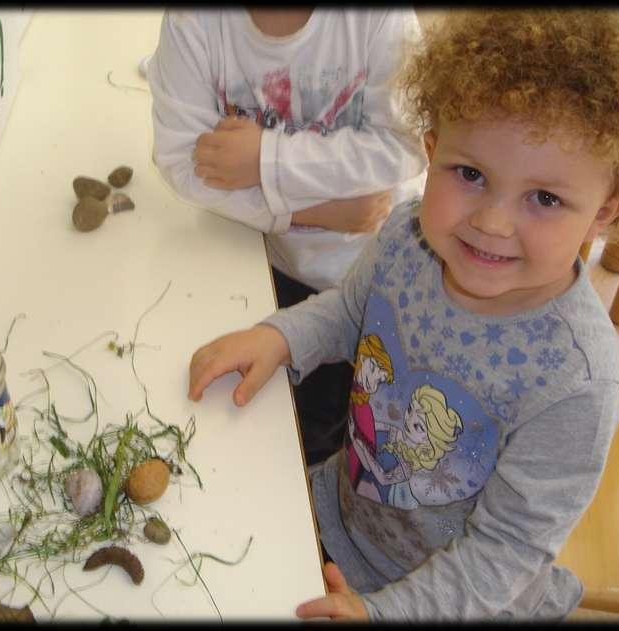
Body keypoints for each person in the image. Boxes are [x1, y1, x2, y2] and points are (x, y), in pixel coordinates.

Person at [186, 9, 619, 621]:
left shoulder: (577, 383)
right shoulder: (407, 239)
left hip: (454, 600)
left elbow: (503, 554)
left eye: (545, 198)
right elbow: (350, 313)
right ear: (432, 149)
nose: (492, 223)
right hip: (340, 515)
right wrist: (279, 337)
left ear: (606, 212)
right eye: (470, 174)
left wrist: (384, 613)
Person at [146, 8, 428, 465]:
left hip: (370, 273)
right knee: (273, 418)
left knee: (347, 420)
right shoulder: (192, 23)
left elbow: (404, 146)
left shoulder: (382, 20)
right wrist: (311, 210)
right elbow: (182, 162)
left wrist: (266, 158)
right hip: (268, 264)